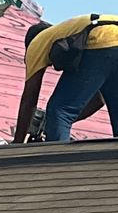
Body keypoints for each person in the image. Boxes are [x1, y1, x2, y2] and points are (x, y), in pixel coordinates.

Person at [13, 14, 118, 143]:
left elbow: (30, 97)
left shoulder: (36, 43)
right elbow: (98, 100)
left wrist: (17, 142)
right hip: (111, 31)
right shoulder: (67, 32)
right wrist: (56, 123)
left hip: (100, 38)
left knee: (59, 110)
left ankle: (58, 160)